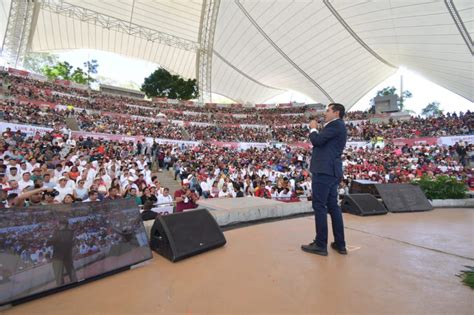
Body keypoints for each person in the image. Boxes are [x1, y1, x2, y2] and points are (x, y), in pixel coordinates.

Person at [301, 103, 347, 256]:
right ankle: (340, 244)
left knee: (320, 206)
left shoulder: (335, 125)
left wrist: (313, 127)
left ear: (336, 112)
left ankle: (321, 244)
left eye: (328, 110)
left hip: (324, 171)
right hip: (331, 171)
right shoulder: (336, 126)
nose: (325, 113)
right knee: (333, 206)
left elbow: (317, 141)